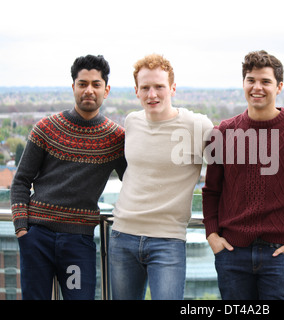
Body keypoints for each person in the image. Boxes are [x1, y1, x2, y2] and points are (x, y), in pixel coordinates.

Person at [202, 50, 284, 300]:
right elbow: (212, 190)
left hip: (280, 254)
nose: (257, 87)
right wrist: (212, 235)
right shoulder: (223, 132)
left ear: (279, 87)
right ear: (243, 84)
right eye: (251, 80)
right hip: (232, 253)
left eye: (265, 81)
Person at [11, 54, 126, 300]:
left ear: (106, 90)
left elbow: (134, 182)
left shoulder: (116, 138)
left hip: (78, 243)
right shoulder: (46, 128)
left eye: (96, 84)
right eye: (82, 84)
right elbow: (20, 180)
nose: (89, 90)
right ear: (73, 87)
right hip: (37, 238)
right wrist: (22, 230)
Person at [109, 53, 213, 300]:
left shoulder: (197, 126)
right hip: (122, 236)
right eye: (145, 88)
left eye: (159, 87)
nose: (152, 94)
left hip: (167, 240)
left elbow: (229, 175)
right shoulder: (132, 121)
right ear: (136, 91)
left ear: (173, 88)